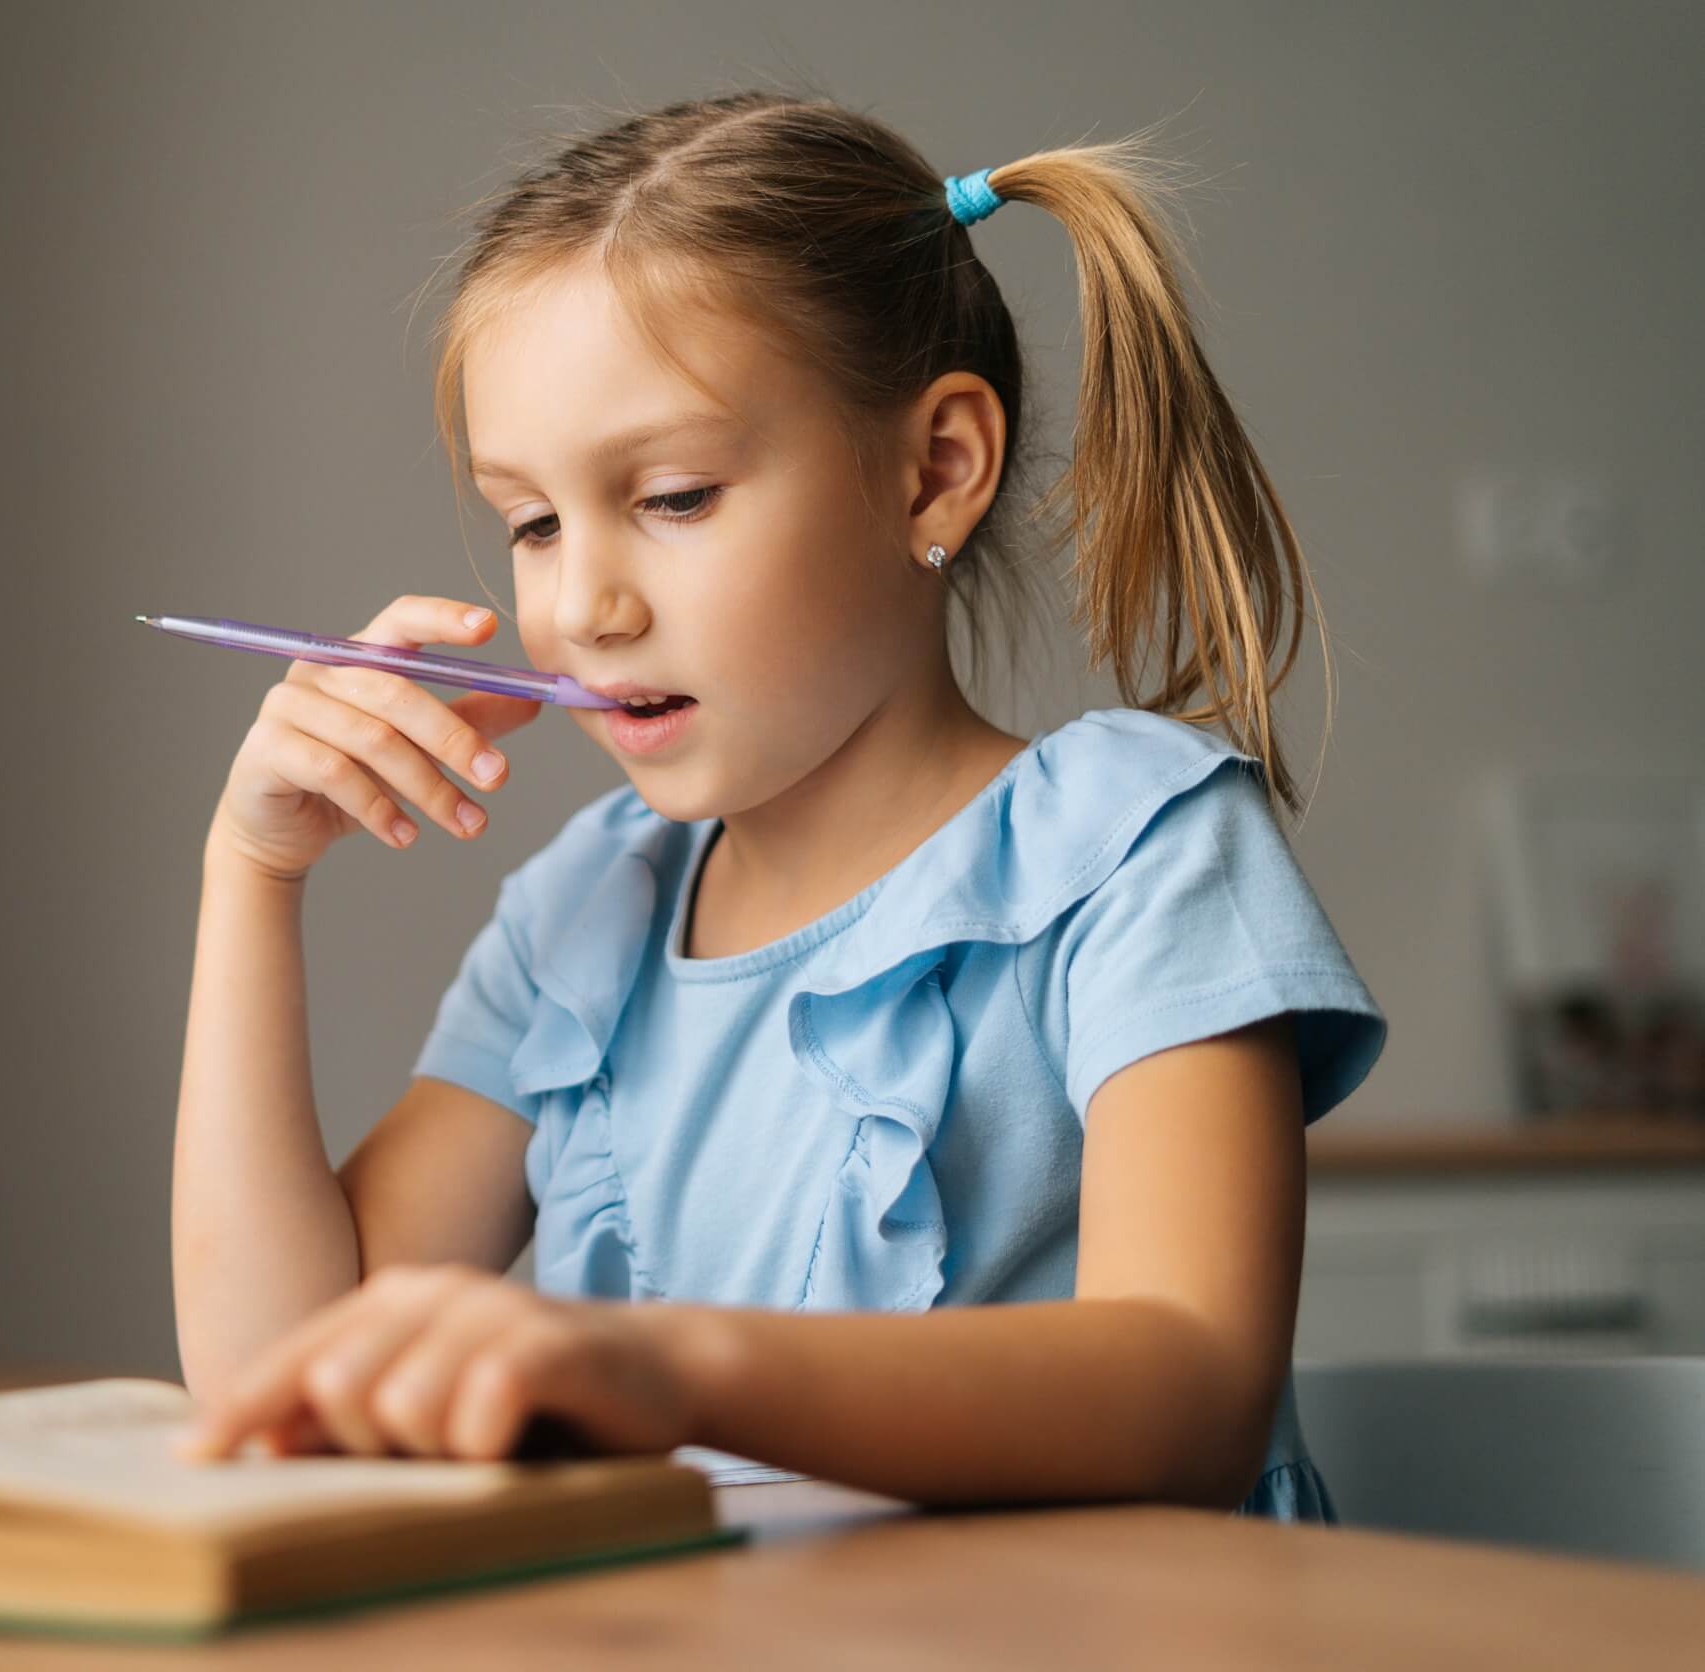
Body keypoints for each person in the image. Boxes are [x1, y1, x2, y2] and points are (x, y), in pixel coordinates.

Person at [169, 91, 1386, 1520]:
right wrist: (251, 873)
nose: (582, 608)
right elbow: (277, 1367)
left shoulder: (1136, 855)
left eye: (675, 497)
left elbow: (1186, 1393)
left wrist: (671, 1365)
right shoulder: (588, 914)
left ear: (937, 471)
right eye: (534, 523)